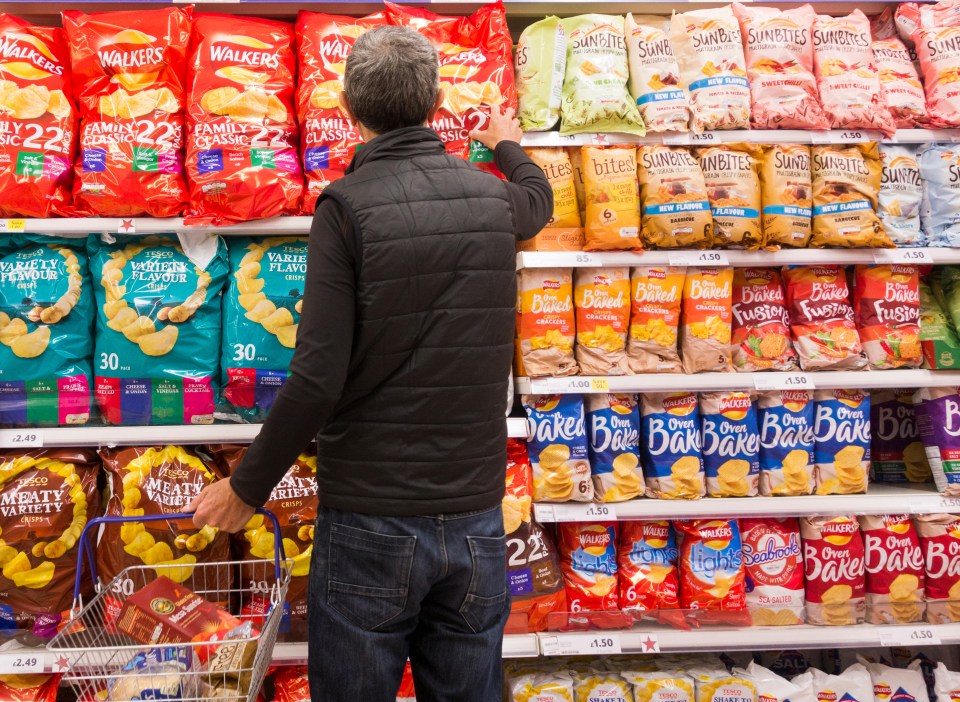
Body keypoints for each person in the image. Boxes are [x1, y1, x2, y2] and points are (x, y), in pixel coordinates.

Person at [186, 25, 552, 702]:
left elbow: (318, 374)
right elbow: (539, 199)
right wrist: (507, 142)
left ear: (350, 112)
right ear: (435, 99)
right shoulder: (493, 198)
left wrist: (247, 486)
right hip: (475, 514)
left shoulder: (347, 208)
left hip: (371, 522)